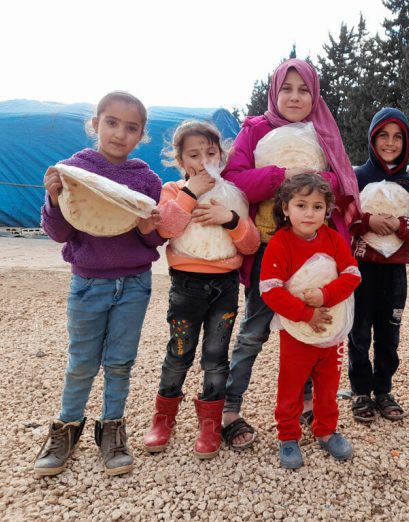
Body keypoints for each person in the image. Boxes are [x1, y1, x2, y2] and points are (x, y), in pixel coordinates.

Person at [220, 58, 360, 448]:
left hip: (315, 250)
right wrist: (281, 175)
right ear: (274, 91)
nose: (295, 97)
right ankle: (230, 409)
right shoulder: (255, 130)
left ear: (315, 94)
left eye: (304, 90)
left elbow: (340, 180)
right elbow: (235, 181)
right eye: (287, 88)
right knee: (254, 331)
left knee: (319, 325)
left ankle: (310, 404)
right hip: (269, 248)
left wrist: (310, 181)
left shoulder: (323, 132)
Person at [35, 91, 163, 477]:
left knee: (120, 363)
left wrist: (148, 229)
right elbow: (59, 233)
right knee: (81, 362)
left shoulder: (146, 179)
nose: (120, 134)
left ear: (141, 135)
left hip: (135, 284)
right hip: (88, 283)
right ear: (95, 123)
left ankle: (112, 428)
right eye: (112, 123)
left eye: (131, 128)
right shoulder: (73, 170)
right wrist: (54, 199)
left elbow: (155, 239)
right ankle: (66, 428)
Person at [142, 121, 259, 458]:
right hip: (186, 285)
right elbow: (167, 227)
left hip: (224, 285)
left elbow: (250, 244)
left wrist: (231, 218)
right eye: (194, 155)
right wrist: (190, 192)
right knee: (180, 351)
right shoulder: (172, 190)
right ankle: (164, 417)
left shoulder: (233, 195)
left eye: (211, 153)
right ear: (181, 160)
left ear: (221, 156)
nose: (204, 161)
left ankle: (209, 423)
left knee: (215, 356)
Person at [259, 173, 361, 468]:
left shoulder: (332, 238)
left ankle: (326, 430)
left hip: (332, 329)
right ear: (285, 208)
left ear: (327, 211)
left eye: (317, 206)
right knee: (290, 385)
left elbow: (353, 275)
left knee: (328, 385)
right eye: (301, 205)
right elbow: (270, 290)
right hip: (296, 332)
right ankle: (288, 435)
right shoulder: (281, 243)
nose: (309, 213)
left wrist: (325, 295)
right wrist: (307, 313)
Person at [347, 108, 409, 422]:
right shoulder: (357, 176)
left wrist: (398, 224)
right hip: (361, 268)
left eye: (398, 136)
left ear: (406, 142)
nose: (390, 143)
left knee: (389, 332)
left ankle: (383, 390)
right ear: (372, 137)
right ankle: (360, 392)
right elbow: (344, 217)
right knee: (358, 331)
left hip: (394, 271)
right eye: (383, 135)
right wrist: (368, 220)